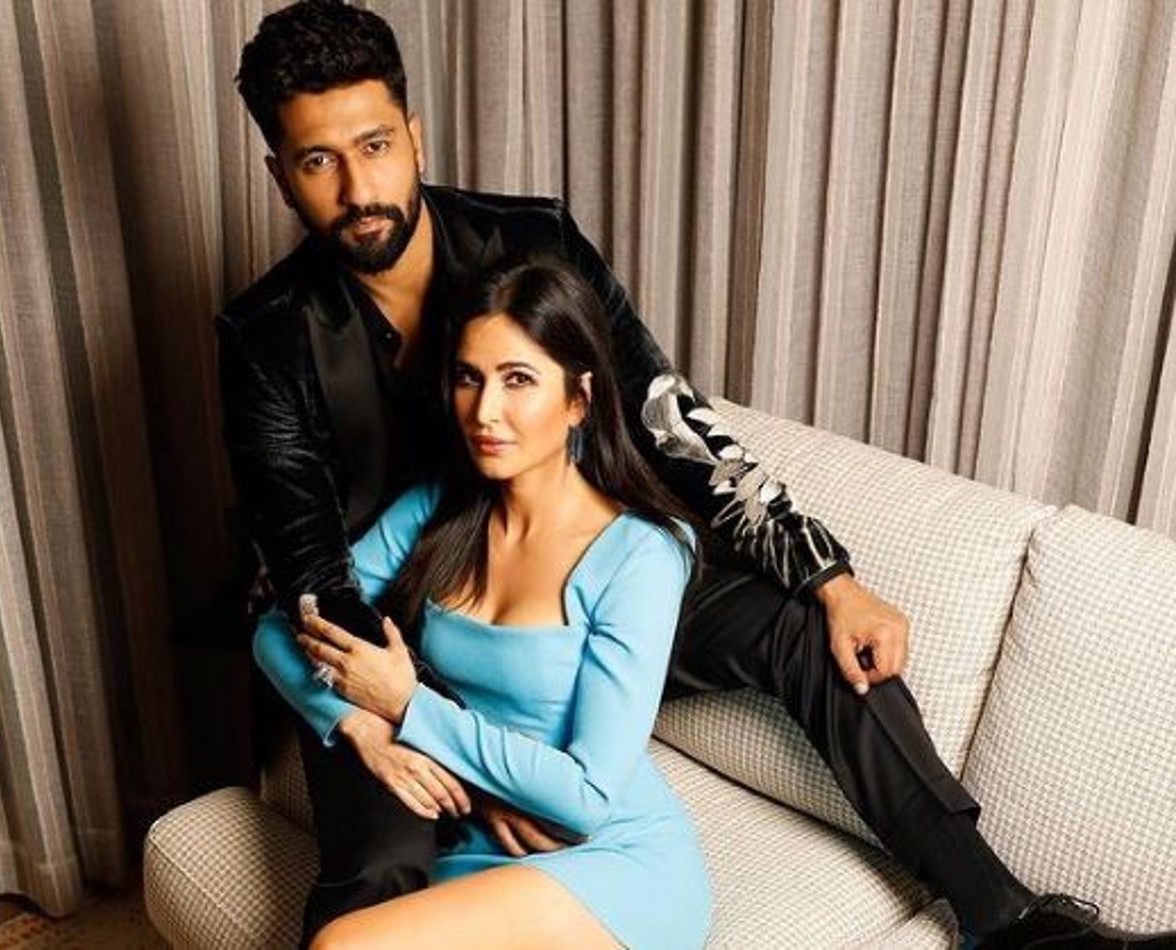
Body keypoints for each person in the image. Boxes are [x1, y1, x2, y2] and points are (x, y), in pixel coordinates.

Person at [219, 2, 1174, 947]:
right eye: (318, 161)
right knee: (375, 878)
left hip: (577, 586)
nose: (359, 188)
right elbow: (315, 582)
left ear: (415, 135)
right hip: (403, 626)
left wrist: (826, 573)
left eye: (376, 145)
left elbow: (667, 417)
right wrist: (425, 727)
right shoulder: (266, 339)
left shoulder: (530, 243)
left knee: (809, 632)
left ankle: (1003, 916)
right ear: (280, 175)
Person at [255, 261, 711, 949]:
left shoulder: (641, 555)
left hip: (608, 862)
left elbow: (586, 796)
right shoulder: (437, 512)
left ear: (579, 399)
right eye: (469, 378)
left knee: (340, 945)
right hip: (475, 841)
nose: (484, 411)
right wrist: (357, 724)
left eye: (518, 379)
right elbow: (277, 627)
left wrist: (407, 706)